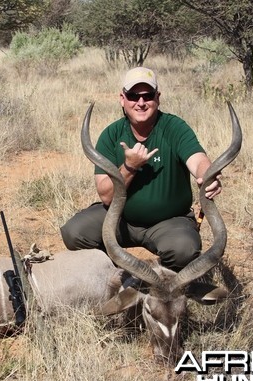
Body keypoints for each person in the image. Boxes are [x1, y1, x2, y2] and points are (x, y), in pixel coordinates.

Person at [60, 66, 222, 270]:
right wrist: (130, 167)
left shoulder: (174, 127)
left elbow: (198, 160)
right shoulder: (111, 135)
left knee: (184, 250)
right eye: (133, 96)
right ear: (122, 99)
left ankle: (165, 288)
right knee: (74, 233)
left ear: (158, 97)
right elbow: (107, 197)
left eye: (148, 95)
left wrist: (208, 176)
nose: (141, 103)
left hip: (168, 222)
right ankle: (120, 277)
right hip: (120, 219)